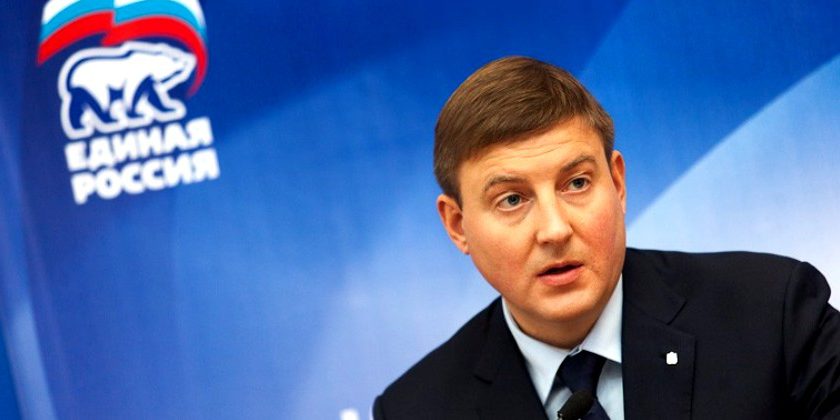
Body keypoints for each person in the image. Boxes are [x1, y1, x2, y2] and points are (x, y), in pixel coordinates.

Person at [373, 56, 840, 419]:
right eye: (512, 199)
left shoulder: (775, 316)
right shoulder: (416, 411)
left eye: (576, 183)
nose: (555, 230)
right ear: (457, 225)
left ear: (617, 184)